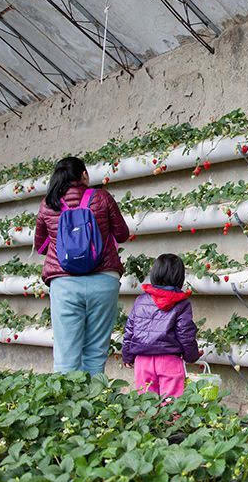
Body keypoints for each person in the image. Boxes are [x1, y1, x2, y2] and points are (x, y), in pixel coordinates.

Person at [34, 156, 130, 375]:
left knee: (66, 357)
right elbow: (122, 234)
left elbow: (40, 246)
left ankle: (64, 405)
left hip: (64, 284)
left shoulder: (48, 204)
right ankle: (95, 405)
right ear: (84, 175)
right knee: (95, 354)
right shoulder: (102, 198)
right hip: (104, 281)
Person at [121, 254, 201, 397]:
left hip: (142, 360)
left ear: (154, 273)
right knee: (172, 405)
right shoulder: (181, 304)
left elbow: (129, 331)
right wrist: (191, 356)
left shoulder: (140, 300)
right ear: (180, 277)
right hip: (169, 360)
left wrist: (127, 356)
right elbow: (186, 334)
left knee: (146, 403)